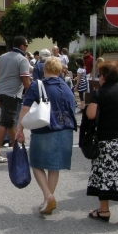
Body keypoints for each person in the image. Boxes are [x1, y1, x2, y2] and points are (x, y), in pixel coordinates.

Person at [15, 57, 76, 215]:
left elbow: (25, 109)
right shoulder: (66, 86)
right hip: (66, 130)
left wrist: (19, 129)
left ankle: (48, 196)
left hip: (45, 129)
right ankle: (47, 199)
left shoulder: (38, 85)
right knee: (54, 167)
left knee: (36, 163)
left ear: (45, 69)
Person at [86, 61, 118, 222]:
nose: (99, 77)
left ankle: (104, 210)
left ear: (104, 76)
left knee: (104, 172)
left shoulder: (100, 93)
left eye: (100, 74)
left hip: (108, 138)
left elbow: (91, 115)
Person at [0, 36, 31, 163]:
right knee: (4, 123)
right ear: (22, 46)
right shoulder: (22, 60)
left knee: (10, 123)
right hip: (12, 94)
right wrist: (32, 96)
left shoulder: (3, 57)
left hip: (1, 93)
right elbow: (26, 82)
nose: (27, 48)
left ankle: (17, 149)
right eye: (26, 45)